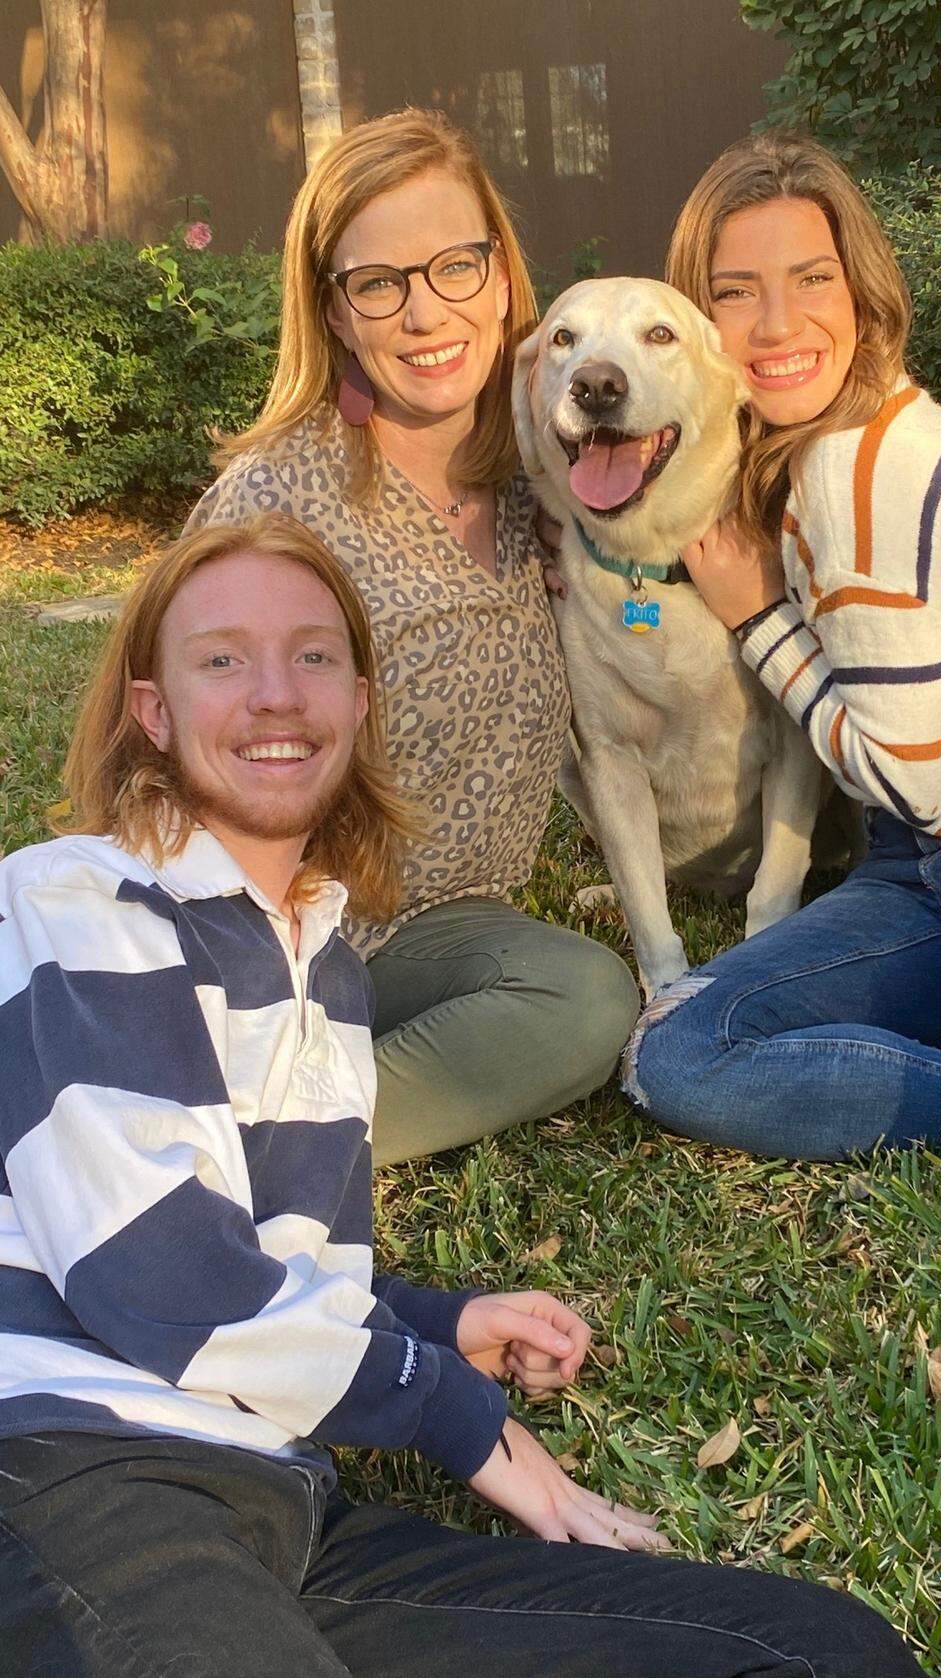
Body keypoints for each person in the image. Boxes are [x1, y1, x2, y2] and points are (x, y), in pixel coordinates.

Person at [0, 513, 923, 1676]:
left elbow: (265, 1262)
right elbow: (156, 1272)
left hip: (290, 1512)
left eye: (316, 656)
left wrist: (439, 1320)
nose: (276, 693)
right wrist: (446, 1404)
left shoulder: (330, 973)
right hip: (74, 1471)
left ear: (362, 701)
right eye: (222, 658)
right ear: (156, 712)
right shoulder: (83, 896)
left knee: (818, 1653)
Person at [625, 130, 941, 1545]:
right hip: (926, 854)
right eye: (735, 290)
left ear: (866, 290)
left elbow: (879, 754)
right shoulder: (787, 454)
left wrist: (749, 609)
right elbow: (906, 787)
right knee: (681, 1050)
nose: (777, 321)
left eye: (811, 277)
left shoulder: (867, 473)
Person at [186, 108, 638, 1165]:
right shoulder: (278, 501)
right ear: (337, 312)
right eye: (380, 281)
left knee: (582, 996)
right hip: (265, 939)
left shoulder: (546, 483)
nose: (426, 309)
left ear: (500, 275)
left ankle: (275, 1144)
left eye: (455, 265)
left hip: (430, 937)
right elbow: (157, 756)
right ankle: (219, 1145)